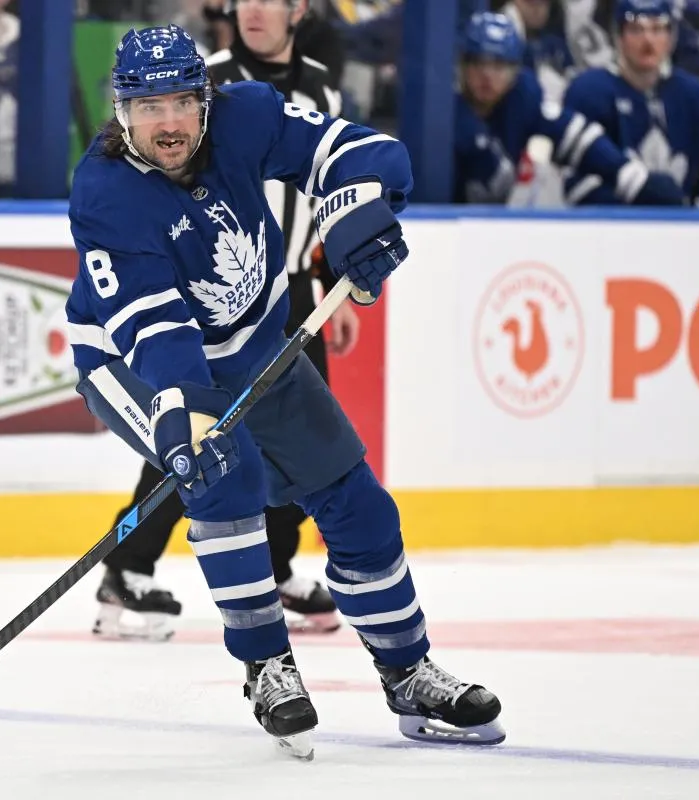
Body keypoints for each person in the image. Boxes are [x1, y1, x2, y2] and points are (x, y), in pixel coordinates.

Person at [66, 23, 505, 759]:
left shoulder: (249, 114)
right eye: (148, 108)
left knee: (357, 500)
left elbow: (361, 151)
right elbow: (160, 332)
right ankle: (267, 663)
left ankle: (408, 670)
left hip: (257, 342)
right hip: (135, 362)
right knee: (223, 480)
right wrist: (183, 415)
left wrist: (358, 213)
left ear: (205, 102)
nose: (167, 123)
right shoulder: (105, 193)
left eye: (180, 102)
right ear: (121, 113)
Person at [92, 0, 353, 643]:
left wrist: (322, 275)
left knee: (296, 435)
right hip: (212, 294)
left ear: (300, 10)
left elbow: (324, 186)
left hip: (290, 287)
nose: (254, 10)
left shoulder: (323, 84)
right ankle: (127, 567)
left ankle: (276, 564)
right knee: (194, 430)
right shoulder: (203, 82)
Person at [455, 10, 683, 205]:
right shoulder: (448, 112)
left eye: (498, 65)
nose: (486, 75)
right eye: (477, 62)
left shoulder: (522, 101)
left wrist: (629, 177)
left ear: (515, 69)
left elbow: (577, 137)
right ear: (462, 66)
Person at [562, 0, 699, 206]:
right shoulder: (588, 92)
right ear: (618, 36)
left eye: (657, 28)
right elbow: (579, 183)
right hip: (614, 230)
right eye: (636, 29)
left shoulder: (696, 96)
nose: (648, 40)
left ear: (671, 37)